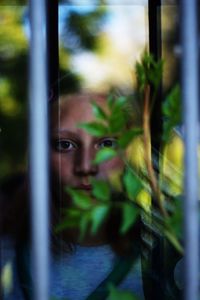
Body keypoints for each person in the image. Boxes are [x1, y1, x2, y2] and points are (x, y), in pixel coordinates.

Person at [0, 92, 181, 300]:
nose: (85, 166)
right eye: (64, 144)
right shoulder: (9, 253)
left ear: (131, 154)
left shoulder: (167, 258)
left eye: (106, 144)